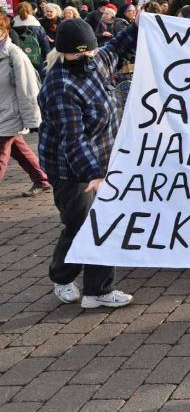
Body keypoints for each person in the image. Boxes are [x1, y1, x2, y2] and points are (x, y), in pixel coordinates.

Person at [39, 17, 138, 308]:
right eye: (76, 54)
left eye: (88, 52)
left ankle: (98, 290)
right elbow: (73, 138)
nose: (84, 58)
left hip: (104, 162)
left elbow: (118, 46)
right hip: (71, 170)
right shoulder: (59, 85)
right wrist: (92, 173)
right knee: (79, 225)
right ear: (62, 53)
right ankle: (62, 275)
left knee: (104, 222)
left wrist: (139, 25)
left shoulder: (98, 63)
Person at [0, 12, 51, 197]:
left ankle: (42, 179)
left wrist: (32, 119)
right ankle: (42, 179)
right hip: (2, 113)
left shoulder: (15, 55)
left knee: (1, 155)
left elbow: (28, 89)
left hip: (9, 114)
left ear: (4, 32)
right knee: (18, 149)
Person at [12, 2, 52, 71]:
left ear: (16, 11)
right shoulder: (37, 26)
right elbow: (45, 46)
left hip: (18, 61)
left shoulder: (11, 26)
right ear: (30, 10)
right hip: (38, 61)